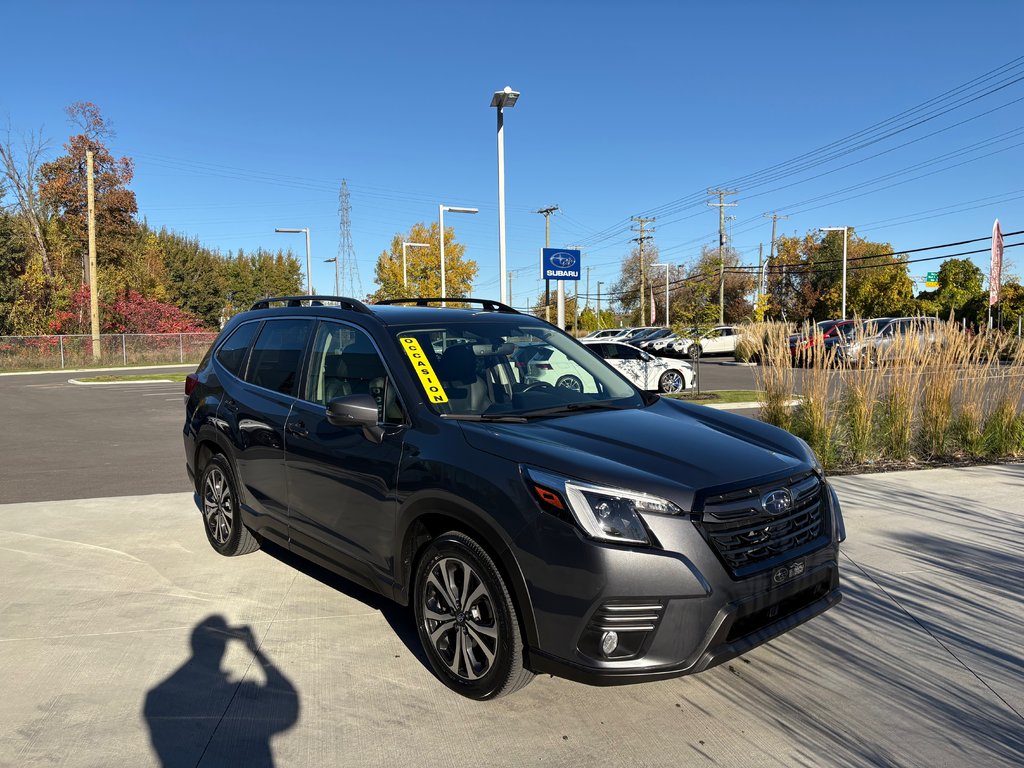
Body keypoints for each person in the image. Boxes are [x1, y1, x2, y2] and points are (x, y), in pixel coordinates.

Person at [144, 615, 299, 767]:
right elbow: (288, 704)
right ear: (223, 648)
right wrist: (255, 651)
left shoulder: (157, 698)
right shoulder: (235, 700)